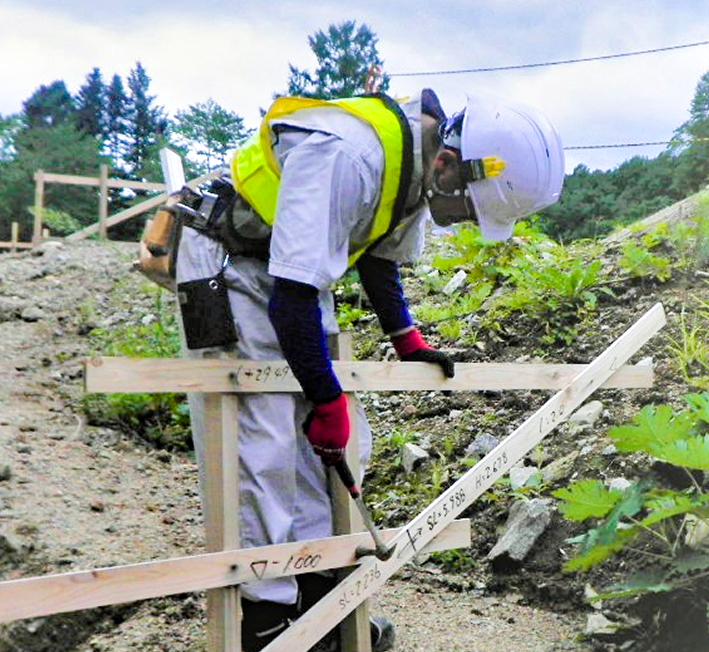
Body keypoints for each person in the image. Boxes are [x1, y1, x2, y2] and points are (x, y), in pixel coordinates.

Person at [171, 87, 564, 651]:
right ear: (449, 163)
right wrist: (325, 401)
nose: (461, 220)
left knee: (330, 449)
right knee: (262, 442)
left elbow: (380, 261)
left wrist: (409, 341)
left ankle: (320, 602)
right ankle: (264, 621)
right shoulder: (349, 156)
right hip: (229, 263)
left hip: (291, 274)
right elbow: (291, 296)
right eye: (468, 208)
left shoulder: (417, 169)